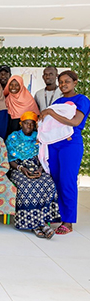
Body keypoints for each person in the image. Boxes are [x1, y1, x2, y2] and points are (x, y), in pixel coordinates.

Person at [40, 70, 90, 235]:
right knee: (56, 181)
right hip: (54, 144)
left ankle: (68, 222)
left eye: (66, 81)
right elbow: (51, 124)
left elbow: (75, 121)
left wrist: (50, 112)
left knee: (67, 181)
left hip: (70, 145)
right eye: (60, 82)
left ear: (75, 82)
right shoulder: (59, 101)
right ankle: (59, 216)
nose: (63, 85)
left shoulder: (81, 99)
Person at [5, 111, 60, 239]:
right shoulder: (13, 137)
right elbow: (9, 159)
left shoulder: (39, 137)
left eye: (31, 124)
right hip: (18, 168)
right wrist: (22, 169)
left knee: (48, 183)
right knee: (26, 185)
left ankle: (43, 222)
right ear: (20, 124)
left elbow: (44, 156)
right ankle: (35, 225)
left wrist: (41, 170)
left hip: (37, 167)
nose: (28, 126)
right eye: (26, 123)